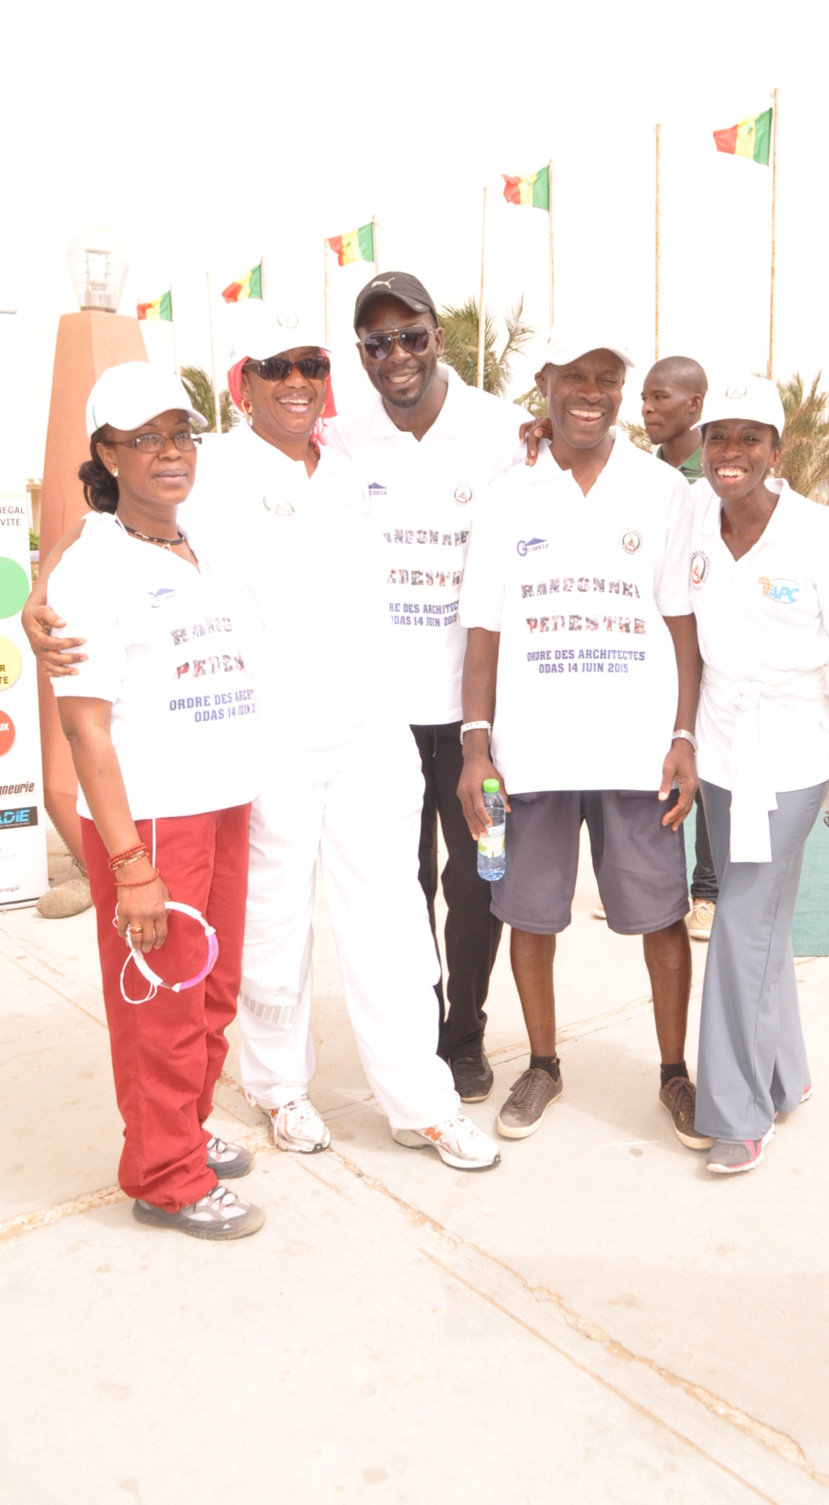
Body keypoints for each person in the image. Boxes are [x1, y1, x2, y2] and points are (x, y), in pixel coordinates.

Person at [24, 306, 501, 1173]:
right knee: (275, 931)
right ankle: (280, 1086)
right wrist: (37, 598)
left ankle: (419, 1099)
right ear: (242, 383)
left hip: (370, 730)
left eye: (311, 366)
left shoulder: (352, 459)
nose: (296, 382)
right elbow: (96, 524)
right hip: (267, 738)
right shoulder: (206, 468)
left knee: (393, 919)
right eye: (275, 367)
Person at [457, 332, 706, 1149]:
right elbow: (484, 634)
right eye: (574, 378)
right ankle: (541, 1063)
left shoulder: (661, 488)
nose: (590, 392)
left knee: (661, 916)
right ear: (546, 386)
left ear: (621, 388)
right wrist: (475, 747)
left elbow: (680, 626)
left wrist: (681, 734)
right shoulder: (505, 495)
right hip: (533, 752)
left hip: (636, 752)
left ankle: (673, 1072)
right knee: (531, 916)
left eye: (607, 377)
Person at [47, 362, 265, 1239]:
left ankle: (184, 1130)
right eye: (145, 438)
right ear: (107, 453)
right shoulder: (93, 570)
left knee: (210, 990)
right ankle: (163, 1175)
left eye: (180, 432)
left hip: (221, 801)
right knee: (161, 1004)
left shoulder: (198, 535)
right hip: (152, 820)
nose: (171, 451)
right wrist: (130, 863)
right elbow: (84, 730)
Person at [325, 272, 527, 1102]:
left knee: (479, 879)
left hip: (479, 715)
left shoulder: (505, 431)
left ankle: (466, 1035)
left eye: (410, 336)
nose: (396, 356)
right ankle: (417, 1025)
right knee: (398, 884)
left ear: (437, 335)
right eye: (376, 343)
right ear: (362, 354)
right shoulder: (338, 438)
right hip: (380, 717)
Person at [686, 376, 829, 1174]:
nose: (731, 454)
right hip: (721, 746)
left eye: (748, 438)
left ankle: (737, 1113)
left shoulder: (819, 532)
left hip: (795, 750)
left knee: (741, 918)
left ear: (776, 449)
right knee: (761, 922)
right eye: (717, 437)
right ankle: (784, 1075)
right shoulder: (690, 514)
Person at [640, 356, 718, 942]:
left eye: (660, 398)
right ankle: (647, 881)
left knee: (707, 767)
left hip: (712, 641)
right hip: (656, 647)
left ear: (694, 404)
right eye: (644, 398)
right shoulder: (642, 475)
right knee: (661, 759)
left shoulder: (717, 469)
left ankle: (708, 892)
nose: (647, 409)